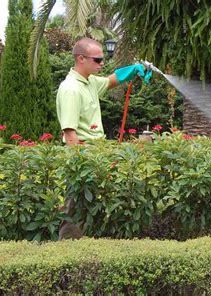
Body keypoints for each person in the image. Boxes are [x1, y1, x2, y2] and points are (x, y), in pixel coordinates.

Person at [56, 37, 153, 239]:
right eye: (98, 60)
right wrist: (79, 166)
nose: (102, 63)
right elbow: (70, 133)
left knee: (95, 204)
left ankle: (91, 248)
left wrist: (133, 70)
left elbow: (109, 81)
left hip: (96, 152)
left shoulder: (89, 82)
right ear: (81, 59)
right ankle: (67, 252)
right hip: (82, 153)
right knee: (76, 205)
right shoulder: (71, 89)